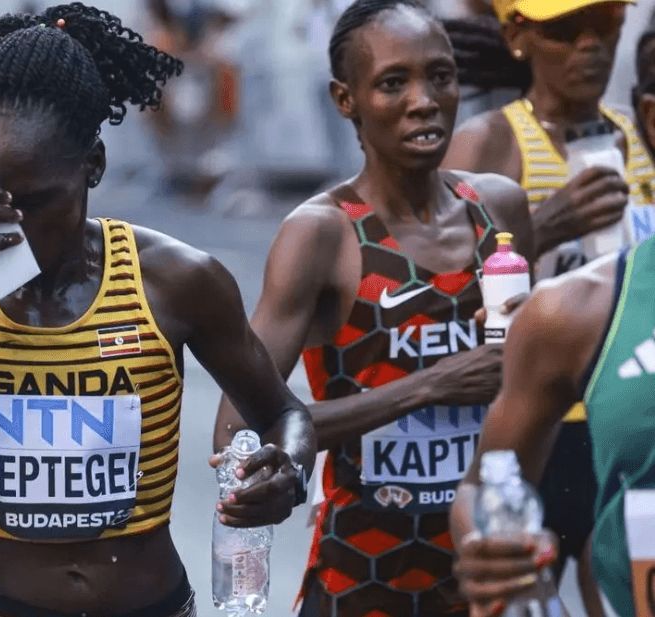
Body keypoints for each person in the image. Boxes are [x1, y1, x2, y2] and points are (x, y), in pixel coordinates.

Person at [0, 4, 317, 616]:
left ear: (94, 167)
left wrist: (286, 470)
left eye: (37, 201)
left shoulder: (177, 280)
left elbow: (282, 414)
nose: (12, 228)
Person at [214, 1, 534, 615]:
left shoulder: (501, 210)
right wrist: (431, 385)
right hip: (363, 584)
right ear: (345, 99)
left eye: (440, 76)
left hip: (491, 582)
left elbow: (542, 382)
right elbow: (239, 432)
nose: (424, 100)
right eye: (394, 83)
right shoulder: (324, 234)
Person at [442, 2, 652, 613]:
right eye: (565, 30)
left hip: (626, 417)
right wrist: (548, 225)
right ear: (518, 35)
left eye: (606, 25)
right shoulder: (490, 142)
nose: (589, 47)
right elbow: (420, 293)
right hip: (541, 419)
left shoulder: (637, 132)